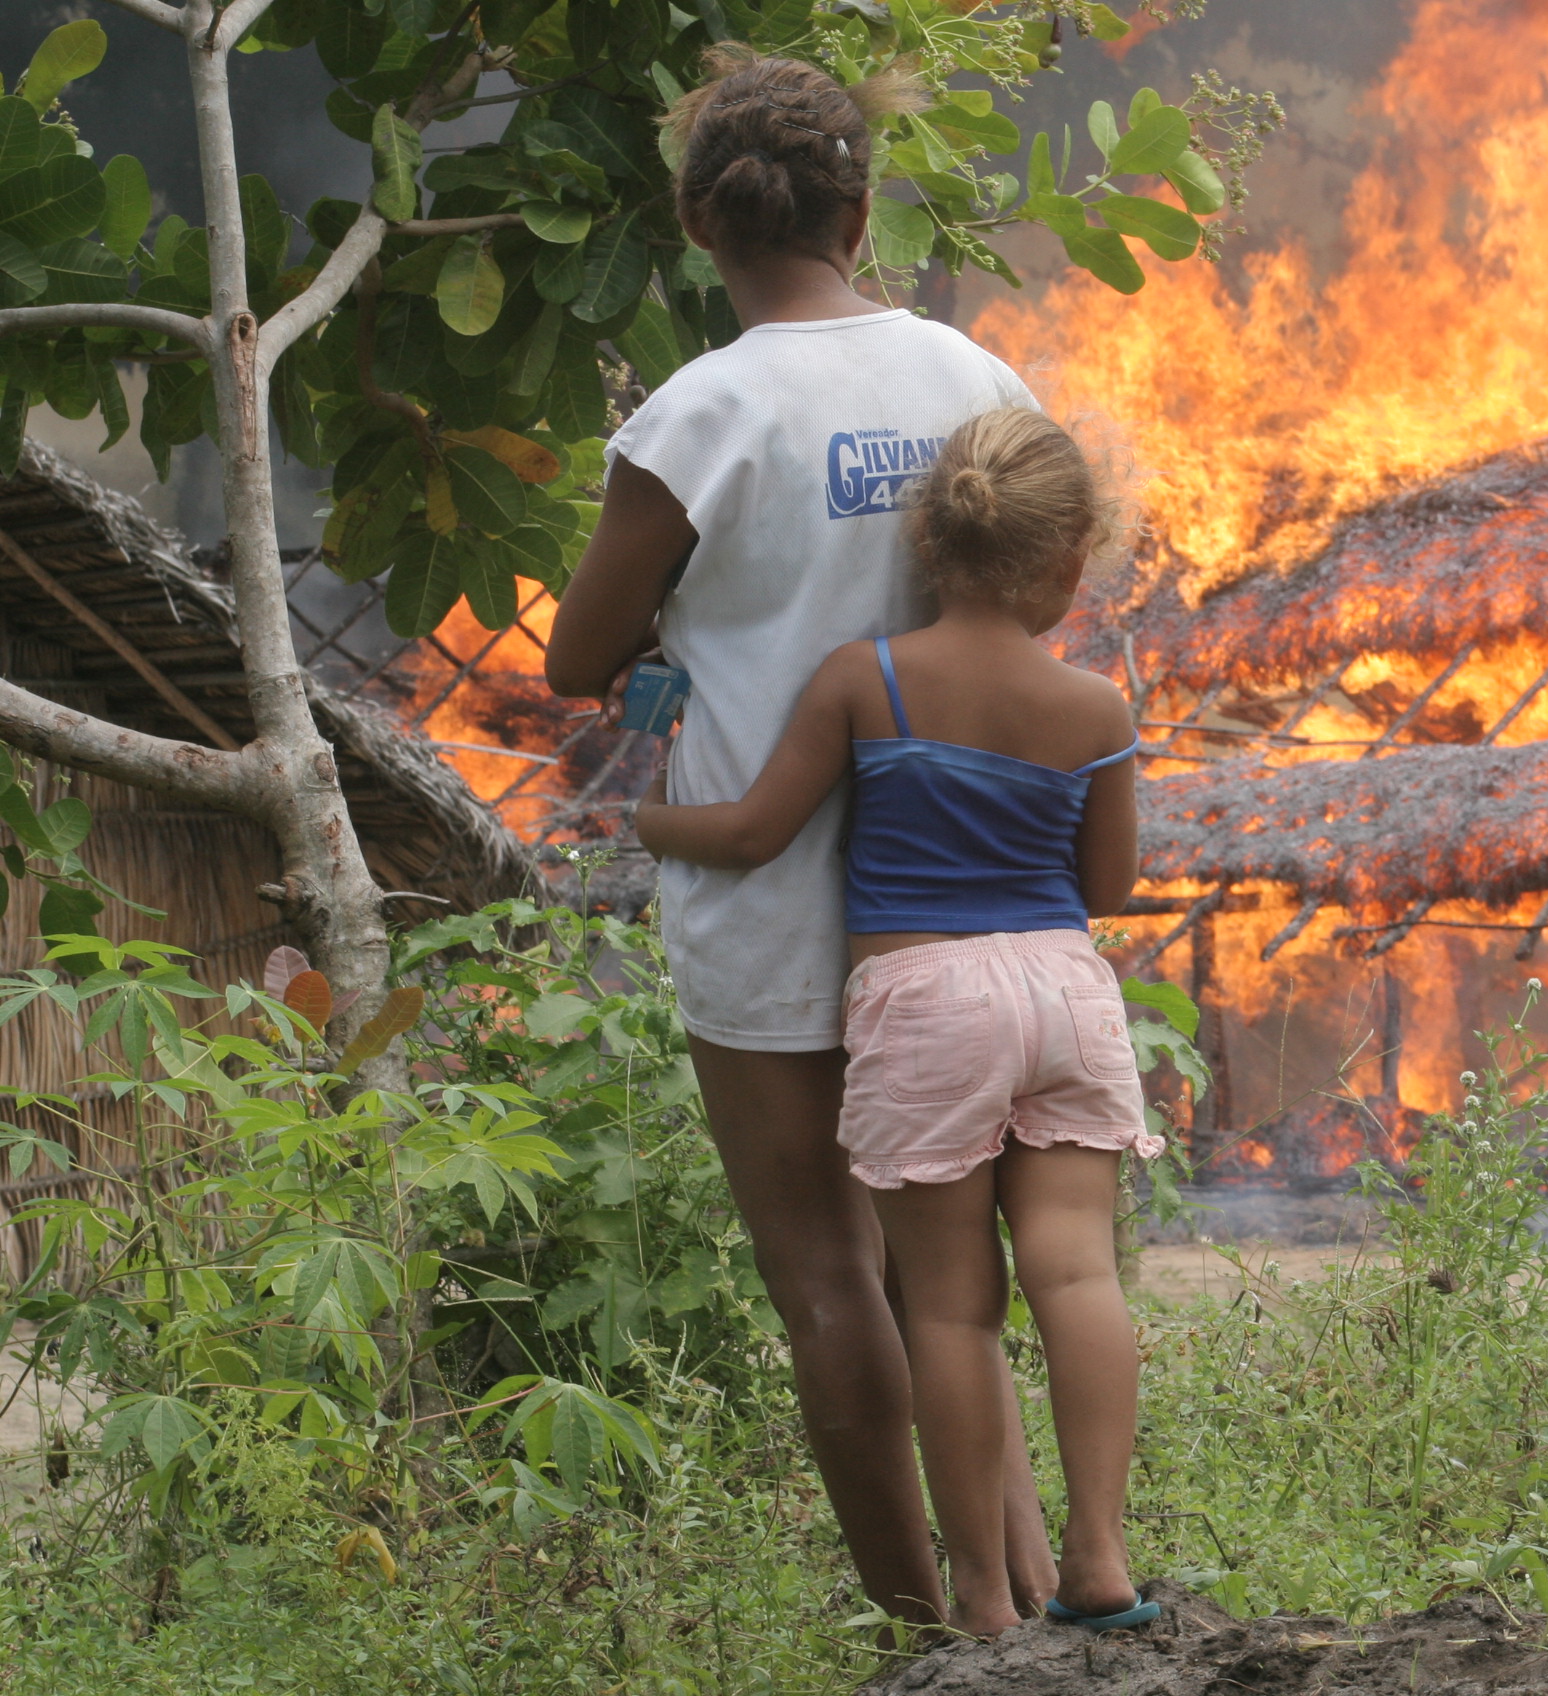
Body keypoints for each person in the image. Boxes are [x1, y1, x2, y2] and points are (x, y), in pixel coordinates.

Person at [544, 48, 1057, 1627]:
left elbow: (577, 659)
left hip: (764, 880)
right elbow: (1041, 602)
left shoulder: (702, 413)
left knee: (826, 1277)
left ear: (699, 226)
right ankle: (1025, 1608)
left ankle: (922, 1626)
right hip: (958, 889)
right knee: (947, 1279)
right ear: (860, 206)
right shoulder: (979, 384)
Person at [635, 407, 1161, 1639]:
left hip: (927, 1005)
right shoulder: (1097, 706)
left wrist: (653, 821)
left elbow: (760, 830)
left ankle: (981, 1594)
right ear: (1073, 551)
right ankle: (1100, 1559)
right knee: (1076, 1272)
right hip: (1063, 988)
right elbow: (1108, 887)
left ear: (928, 539)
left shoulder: (864, 678)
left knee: (950, 1305)